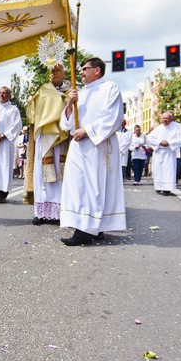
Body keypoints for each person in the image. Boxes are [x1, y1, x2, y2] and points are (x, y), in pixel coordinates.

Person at [59, 57, 126, 246]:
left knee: (93, 187)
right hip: (80, 147)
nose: (81, 72)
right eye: (80, 69)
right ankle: (91, 228)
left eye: (85, 69)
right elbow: (67, 125)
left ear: (97, 70)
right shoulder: (79, 93)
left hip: (98, 145)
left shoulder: (110, 88)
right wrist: (69, 105)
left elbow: (114, 117)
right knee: (79, 187)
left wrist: (87, 131)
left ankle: (85, 231)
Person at [24, 62, 70, 224]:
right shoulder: (42, 91)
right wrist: (30, 104)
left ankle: (61, 211)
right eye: (51, 70)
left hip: (63, 139)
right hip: (45, 137)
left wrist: (63, 100)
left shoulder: (71, 91)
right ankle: (42, 212)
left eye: (57, 70)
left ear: (64, 73)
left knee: (60, 173)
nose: (53, 73)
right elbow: (32, 116)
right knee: (41, 174)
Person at [147, 112, 181, 195]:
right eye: (163, 118)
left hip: (169, 153)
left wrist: (169, 142)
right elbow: (149, 138)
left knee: (168, 171)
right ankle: (159, 187)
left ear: (171, 119)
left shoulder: (176, 128)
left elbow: (179, 139)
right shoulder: (158, 129)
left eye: (167, 118)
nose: (165, 120)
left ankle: (167, 189)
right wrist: (160, 142)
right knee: (158, 170)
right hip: (159, 152)